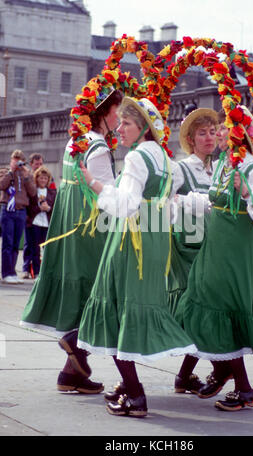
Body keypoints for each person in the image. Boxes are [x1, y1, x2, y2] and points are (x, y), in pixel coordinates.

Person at [77, 96, 197, 418]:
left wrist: (96, 185)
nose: (119, 129)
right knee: (132, 308)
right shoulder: (165, 159)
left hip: (131, 241)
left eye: (126, 124)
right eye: (118, 124)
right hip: (155, 241)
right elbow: (169, 211)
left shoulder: (136, 158)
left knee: (115, 308)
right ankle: (128, 388)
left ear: (143, 126)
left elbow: (127, 204)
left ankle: (135, 394)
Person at [174, 105, 253, 412]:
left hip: (237, 250)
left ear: (240, 134)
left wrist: (246, 191)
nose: (219, 134)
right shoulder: (223, 164)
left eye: (224, 129)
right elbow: (212, 204)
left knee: (222, 307)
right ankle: (224, 371)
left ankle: (242, 387)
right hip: (216, 246)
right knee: (199, 304)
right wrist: (180, 201)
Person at [20, 88, 123, 394]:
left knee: (85, 288)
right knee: (101, 290)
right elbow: (109, 194)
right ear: (103, 112)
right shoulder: (99, 147)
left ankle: (71, 374)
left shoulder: (74, 141)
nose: (120, 116)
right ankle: (77, 341)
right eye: (117, 110)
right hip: (92, 228)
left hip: (70, 226)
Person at [167, 108, 218, 317]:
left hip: (214, 245)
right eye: (202, 133)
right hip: (189, 246)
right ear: (191, 139)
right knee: (191, 299)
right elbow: (168, 200)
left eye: (213, 132)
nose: (209, 138)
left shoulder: (219, 169)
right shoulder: (181, 169)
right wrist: (190, 202)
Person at [0, 149, 36, 284]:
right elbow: (1, 185)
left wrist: (27, 177)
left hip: (21, 211)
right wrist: (11, 171)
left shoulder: (26, 174)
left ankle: (12, 272)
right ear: (11, 160)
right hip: (8, 210)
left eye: (20, 160)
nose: (18, 163)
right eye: (15, 160)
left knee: (15, 243)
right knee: (8, 243)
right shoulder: (5, 172)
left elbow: (33, 193)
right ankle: (6, 272)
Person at [22, 166, 57, 279]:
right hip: (35, 223)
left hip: (47, 224)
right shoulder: (33, 192)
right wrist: (39, 208)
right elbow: (30, 208)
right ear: (37, 179)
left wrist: (48, 209)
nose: (43, 180)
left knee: (47, 249)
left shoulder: (52, 192)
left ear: (48, 180)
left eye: (45, 178)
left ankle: (47, 272)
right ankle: (36, 272)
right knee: (35, 249)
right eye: (41, 178)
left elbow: (55, 209)